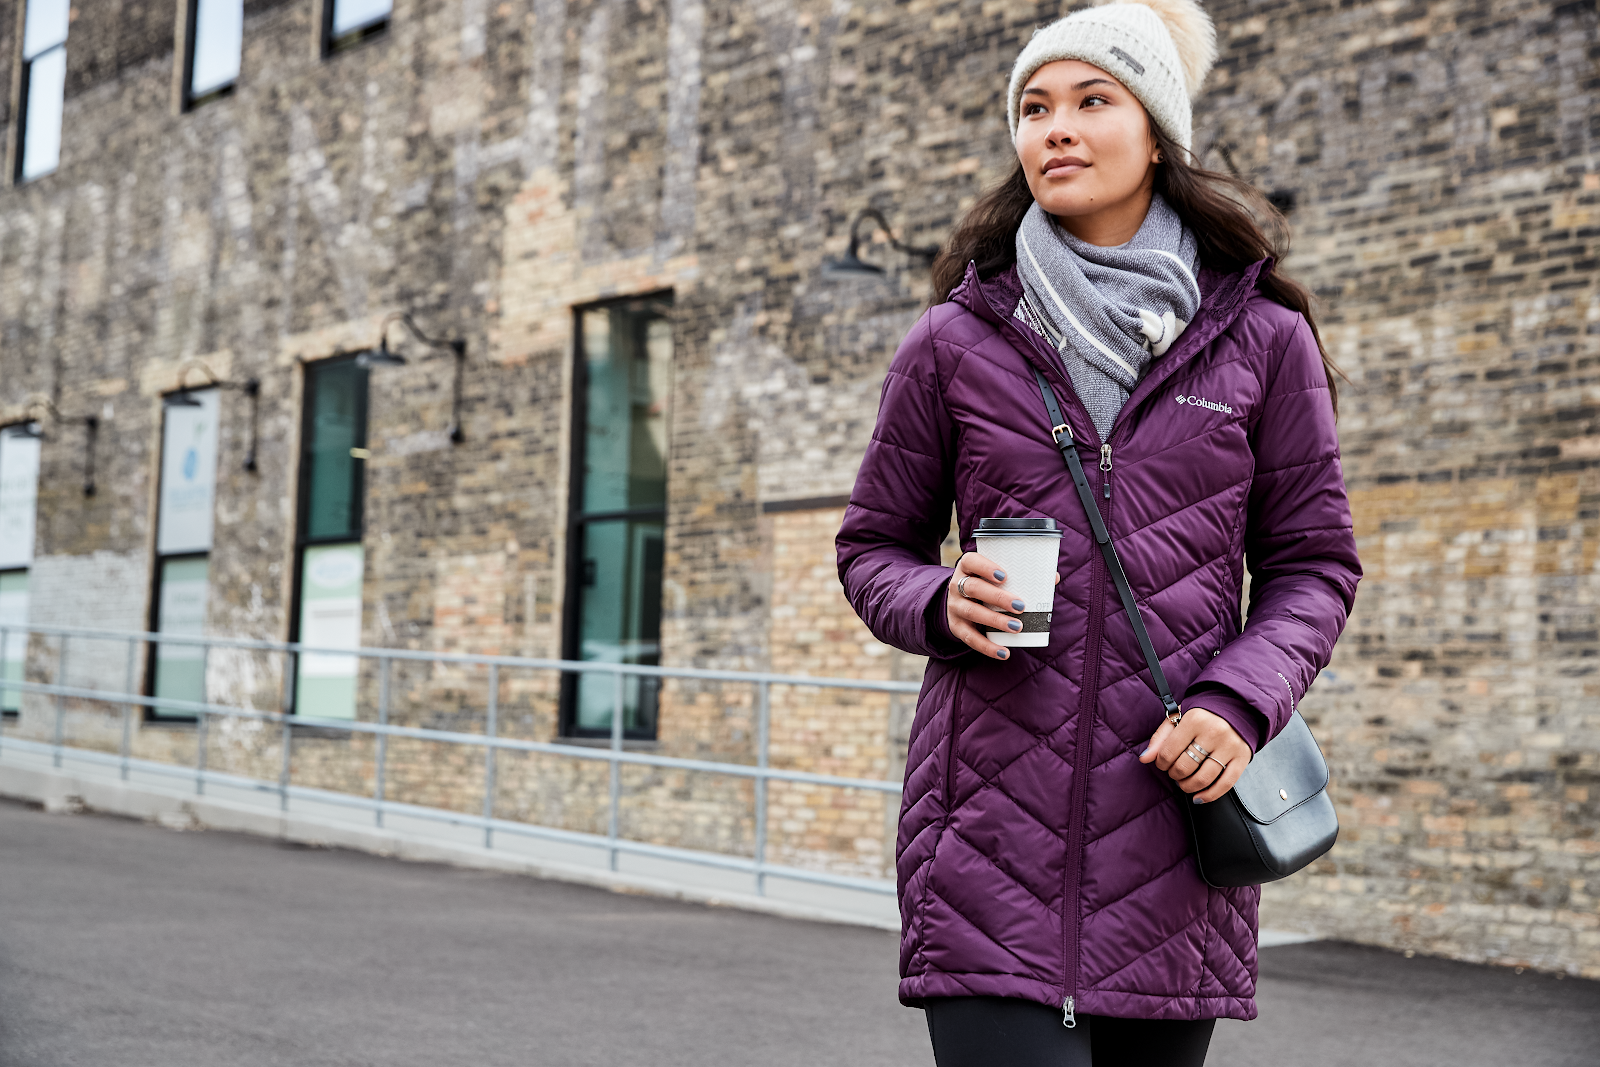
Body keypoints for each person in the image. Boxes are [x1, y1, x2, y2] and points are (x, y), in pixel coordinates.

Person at [834, 1, 1362, 1063]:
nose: (1055, 128)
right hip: (984, 843)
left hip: (1173, 841)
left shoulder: (1263, 340)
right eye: (1034, 108)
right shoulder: (952, 340)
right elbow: (869, 547)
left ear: (1156, 131)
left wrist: (1238, 699)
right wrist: (937, 600)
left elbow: (1314, 564)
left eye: (1091, 100)